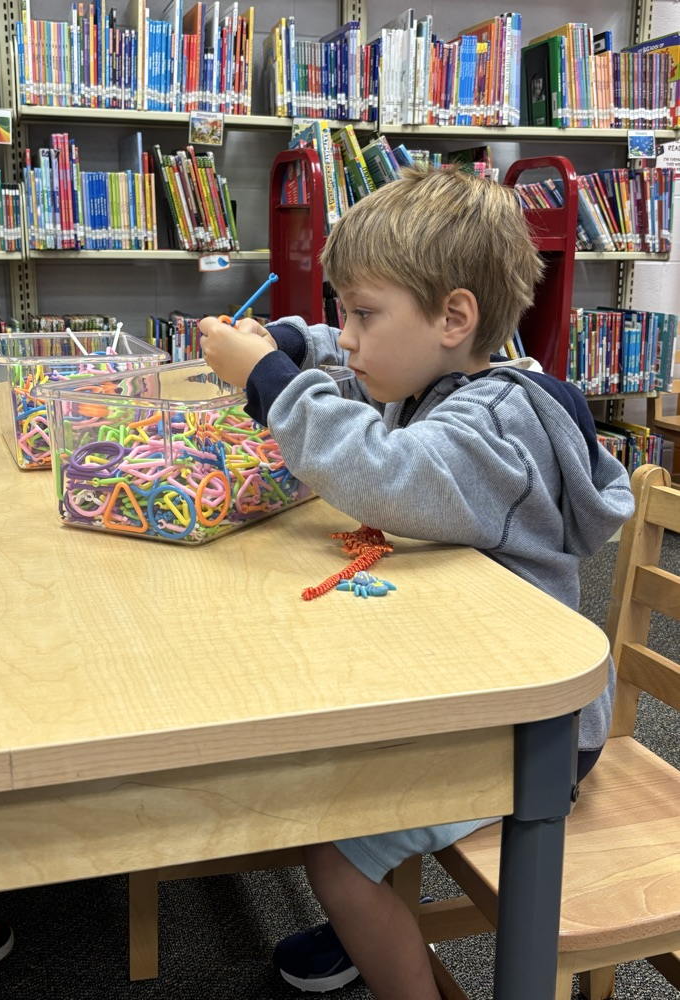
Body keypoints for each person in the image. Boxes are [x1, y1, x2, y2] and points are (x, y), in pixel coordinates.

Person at [198, 165, 634, 1000]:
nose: (346, 336)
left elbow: (381, 472)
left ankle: (383, 943)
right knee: (327, 754)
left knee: (331, 852)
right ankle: (370, 931)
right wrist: (293, 343)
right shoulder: (437, 372)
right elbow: (350, 355)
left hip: (532, 731)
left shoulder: (491, 425)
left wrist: (266, 381)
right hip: (474, 685)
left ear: (452, 317)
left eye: (362, 314)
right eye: (342, 310)